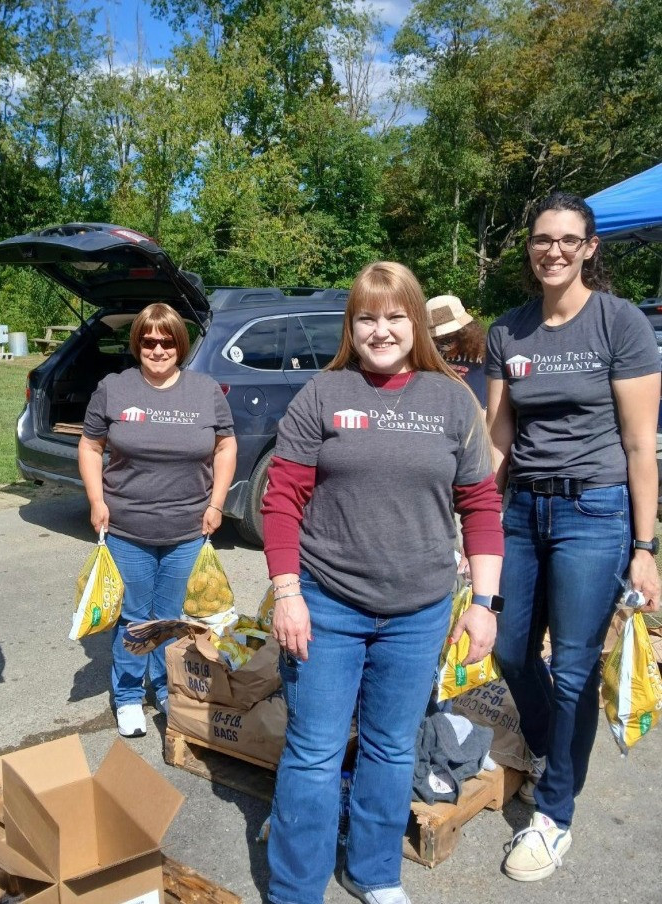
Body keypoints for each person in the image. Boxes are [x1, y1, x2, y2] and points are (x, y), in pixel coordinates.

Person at [263, 261, 504, 904]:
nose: (381, 329)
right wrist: (287, 593)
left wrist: (483, 604)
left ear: (416, 322)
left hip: (419, 611)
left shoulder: (452, 399)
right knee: (314, 753)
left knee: (392, 749)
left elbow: (480, 506)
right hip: (325, 604)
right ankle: (295, 888)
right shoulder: (323, 393)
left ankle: (374, 872)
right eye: (367, 317)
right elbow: (281, 499)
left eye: (395, 315)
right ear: (352, 325)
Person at [485, 192, 660, 882]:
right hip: (522, 512)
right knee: (506, 647)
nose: (551, 250)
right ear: (529, 249)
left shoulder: (620, 324)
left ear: (590, 247)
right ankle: (551, 745)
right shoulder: (509, 332)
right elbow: (497, 438)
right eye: (540, 239)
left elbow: (641, 445)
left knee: (576, 668)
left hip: (595, 513)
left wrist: (645, 550)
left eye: (566, 239)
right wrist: (473, 527)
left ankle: (555, 816)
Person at [78, 303, 236, 738]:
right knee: (134, 617)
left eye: (167, 340)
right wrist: (96, 500)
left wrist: (217, 503)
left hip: (188, 529)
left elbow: (226, 447)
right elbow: (90, 447)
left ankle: (167, 689)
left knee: (170, 617)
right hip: (128, 527)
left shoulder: (205, 391)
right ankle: (128, 695)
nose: (158, 348)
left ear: (180, 344)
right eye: (148, 340)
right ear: (138, 344)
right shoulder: (114, 388)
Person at [426, 294, 488, 406]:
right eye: (437, 339)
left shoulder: (484, 347)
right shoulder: (427, 352)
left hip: (480, 410)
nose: (444, 343)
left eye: (449, 337)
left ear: (465, 331)